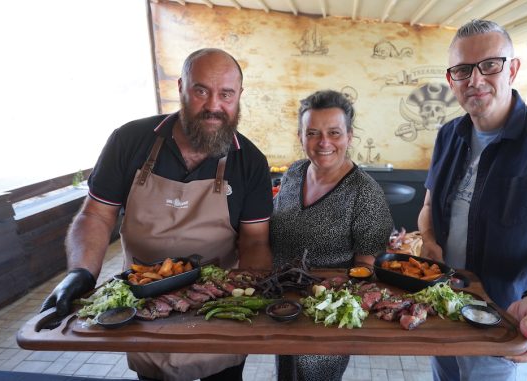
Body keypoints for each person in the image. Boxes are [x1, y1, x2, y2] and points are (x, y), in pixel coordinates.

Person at [41, 48, 273, 381]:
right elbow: (95, 216)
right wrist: (81, 273)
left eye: (225, 94)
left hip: (215, 304)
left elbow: (255, 239)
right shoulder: (129, 141)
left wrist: (249, 290)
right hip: (142, 301)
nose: (213, 106)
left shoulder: (250, 162)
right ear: (181, 87)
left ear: (239, 96)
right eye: (200, 90)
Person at [417, 19, 527, 380]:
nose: (476, 79)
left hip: (503, 322)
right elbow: (427, 207)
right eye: (463, 70)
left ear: (512, 69)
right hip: (444, 311)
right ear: (451, 79)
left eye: (490, 65)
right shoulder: (448, 135)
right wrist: (429, 240)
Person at [270, 90, 394, 381]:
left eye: (334, 132)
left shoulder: (365, 192)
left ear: (349, 136)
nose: (323, 142)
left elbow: (367, 264)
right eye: (312, 132)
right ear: (300, 136)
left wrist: (332, 303)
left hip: (326, 316)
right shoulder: (294, 173)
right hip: (282, 306)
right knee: (286, 375)